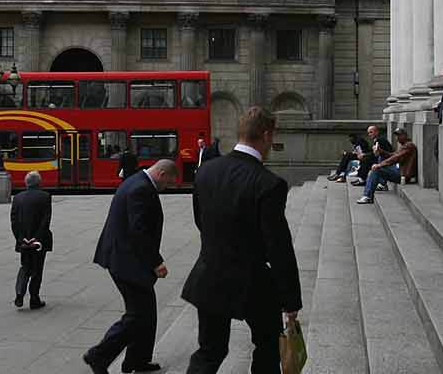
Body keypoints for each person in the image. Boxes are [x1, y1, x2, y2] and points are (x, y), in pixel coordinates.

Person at [182, 106, 302, 374]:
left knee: (209, 351)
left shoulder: (206, 171)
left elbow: (201, 221)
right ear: (267, 135)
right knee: (267, 346)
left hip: (210, 274)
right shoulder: (269, 183)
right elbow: (278, 247)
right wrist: (291, 300)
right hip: (252, 280)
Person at [84, 159, 177, 374]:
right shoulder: (141, 189)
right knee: (138, 316)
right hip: (125, 260)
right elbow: (139, 231)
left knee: (146, 313)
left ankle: (137, 361)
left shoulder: (136, 180)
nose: (167, 188)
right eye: (168, 183)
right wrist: (156, 262)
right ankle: (99, 355)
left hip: (124, 256)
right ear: (162, 173)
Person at [10, 170, 53, 310]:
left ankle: (19, 293)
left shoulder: (17, 198)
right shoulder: (45, 197)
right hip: (39, 241)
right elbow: (45, 221)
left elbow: (14, 221)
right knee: (37, 269)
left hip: (23, 241)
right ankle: (34, 299)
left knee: (25, 267)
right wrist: (37, 238)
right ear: (39, 182)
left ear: (26, 183)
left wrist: (21, 238)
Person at [357, 128, 417, 204]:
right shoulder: (404, 145)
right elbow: (391, 155)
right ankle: (381, 184)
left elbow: (395, 158)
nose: (397, 138)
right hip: (399, 171)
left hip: (403, 175)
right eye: (396, 136)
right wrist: (380, 150)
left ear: (405, 135)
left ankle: (368, 195)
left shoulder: (409, 146)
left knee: (376, 170)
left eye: (399, 136)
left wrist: (379, 165)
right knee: (379, 161)